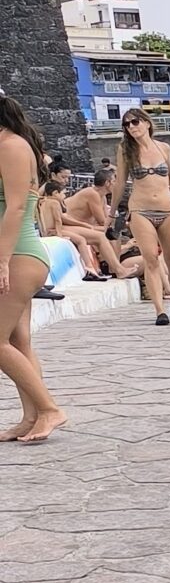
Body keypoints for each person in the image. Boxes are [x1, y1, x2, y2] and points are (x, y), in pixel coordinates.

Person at [0, 92, 64, 442]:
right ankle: (32, 417)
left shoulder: (10, 146)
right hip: (16, 255)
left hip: (18, 256)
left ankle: (50, 409)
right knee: (18, 342)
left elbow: (15, 209)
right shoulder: (10, 143)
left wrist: (2, 261)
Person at [108, 106, 170, 326]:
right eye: (126, 124)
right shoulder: (125, 150)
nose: (131, 127)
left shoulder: (164, 148)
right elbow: (120, 184)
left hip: (167, 209)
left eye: (135, 122)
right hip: (140, 210)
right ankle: (159, 311)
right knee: (151, 258)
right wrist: (112, 214)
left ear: (147, 123)